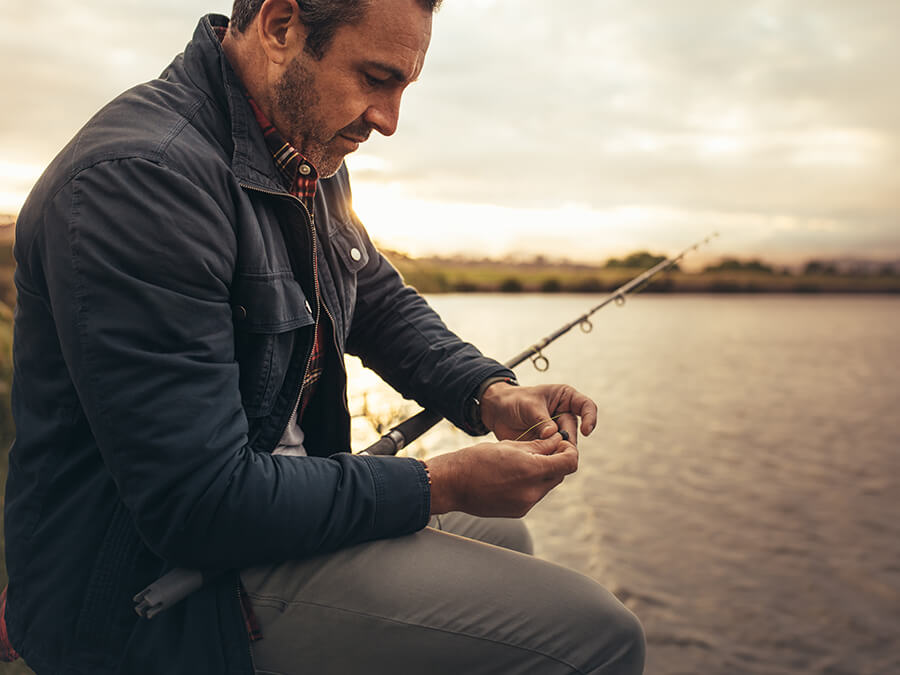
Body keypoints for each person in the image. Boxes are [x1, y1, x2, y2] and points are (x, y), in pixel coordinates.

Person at [2, 0, 646, 673]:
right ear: (281, 27)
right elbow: (200, 504)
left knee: (505, 531)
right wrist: (440, 481)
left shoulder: (302, 148)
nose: (389, 121)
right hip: (155, 596)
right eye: (375, 78)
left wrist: (486, 392)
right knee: (602, 634)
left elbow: (377, 302)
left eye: (402, 86)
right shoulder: (142, 180)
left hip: (254, 525)